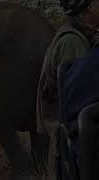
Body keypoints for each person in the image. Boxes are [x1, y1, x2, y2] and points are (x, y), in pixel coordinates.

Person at [36, 0, 99, 177]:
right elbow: (79, 109)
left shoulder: (77, 34)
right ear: (89, 8)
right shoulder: (72, 42)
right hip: (68, 147)